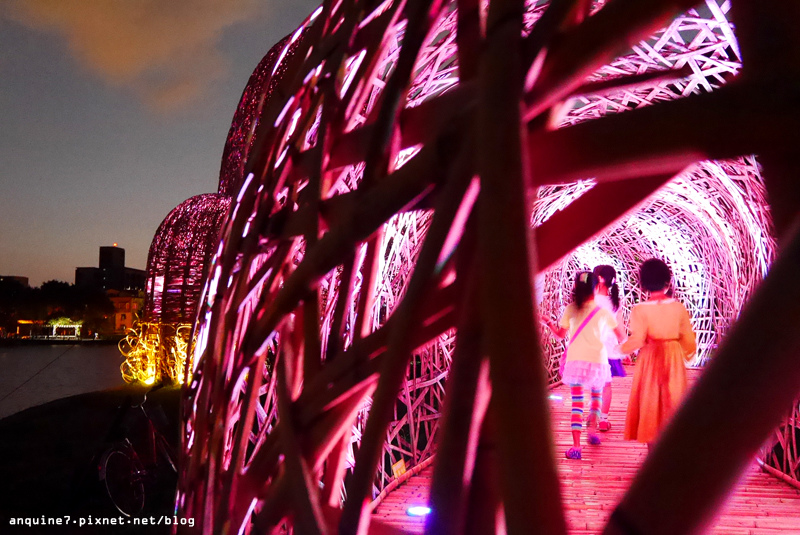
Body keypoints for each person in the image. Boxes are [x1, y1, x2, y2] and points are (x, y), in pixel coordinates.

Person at [620, 258, 697, 446]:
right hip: (672, 358)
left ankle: (652, 455)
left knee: (650, 405)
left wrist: (618, 351)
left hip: (650, 358)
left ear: (643, 282)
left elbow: (637, 339)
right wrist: (687, 354)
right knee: (674, 402)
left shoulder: (639, 309)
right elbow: (688, 339)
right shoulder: (678, 308)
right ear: (666, 280)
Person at [544, 271, 619, 460]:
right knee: (596, 398)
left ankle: (576, 447)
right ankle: (592, 432)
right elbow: (619, 336)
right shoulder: (603, 311)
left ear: (576, 288)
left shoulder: (571, 309)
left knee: (577, 404)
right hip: (597, 360)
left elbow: (560, 335)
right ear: (595, 288)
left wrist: (549, 323)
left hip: (576, 360)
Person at [592, 265, 627, 432]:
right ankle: (603, 420)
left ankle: (594, 417)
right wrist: (626, 348)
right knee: (606, 385)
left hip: (591, 349)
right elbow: (621, 329)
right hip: (609, 350)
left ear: (599, 278)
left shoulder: (588, 300)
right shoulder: (616, 302)